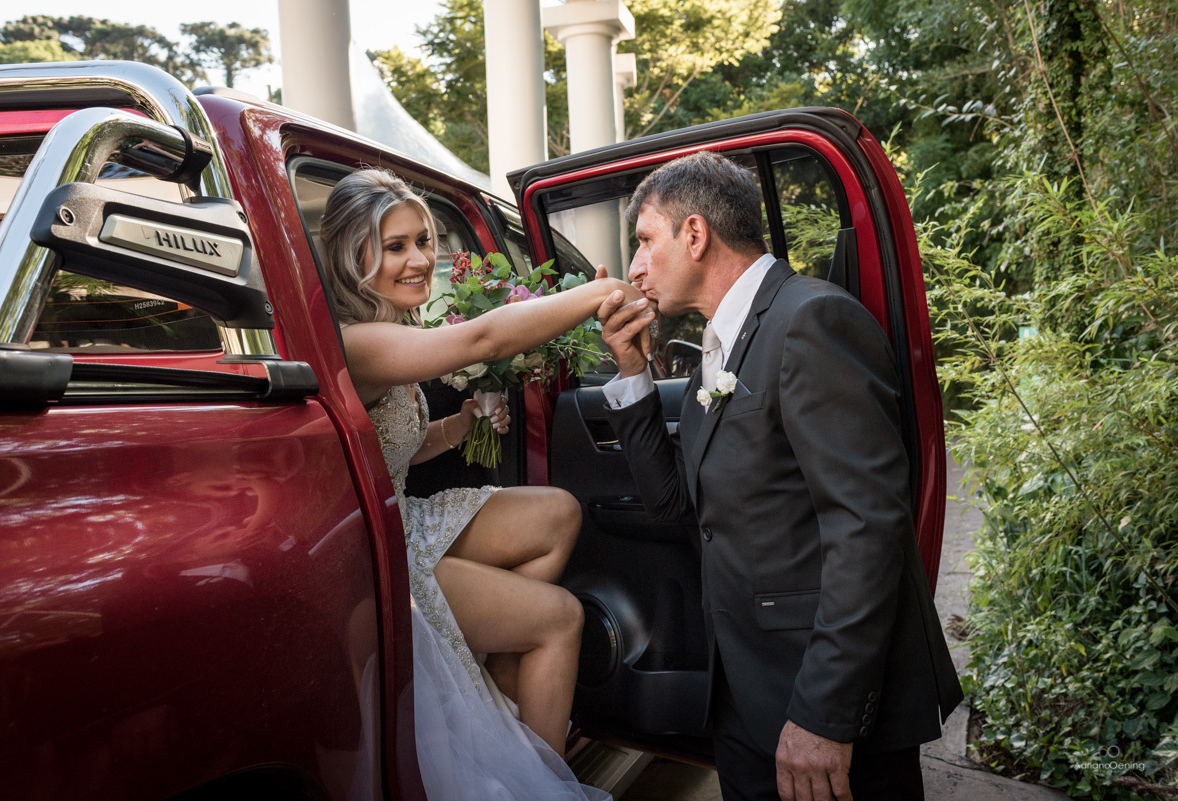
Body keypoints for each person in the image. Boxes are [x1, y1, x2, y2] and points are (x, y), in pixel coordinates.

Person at [596, 151, 963, 801]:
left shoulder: (810, 320)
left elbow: (867, 526)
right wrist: (631, 374)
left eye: (645, 241)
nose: (634, 267)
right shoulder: (720, 346)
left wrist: (825, 714)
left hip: (819, 702)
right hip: (741, 696)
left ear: (695, 233)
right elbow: (678, 504)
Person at [319, 168, 641, 800]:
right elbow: (483, 336)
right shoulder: (358, 342)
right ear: (352, 255)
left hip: (405, 512)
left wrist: (462, 422)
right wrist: (597, 294)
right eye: (395, 246)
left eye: (424, 240)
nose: (419, 259)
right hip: (385, 549)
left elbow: (397, 451)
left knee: (556, 514)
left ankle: (489, 666)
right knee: (559, 618)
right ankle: (535, 779)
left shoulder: (392, 328)